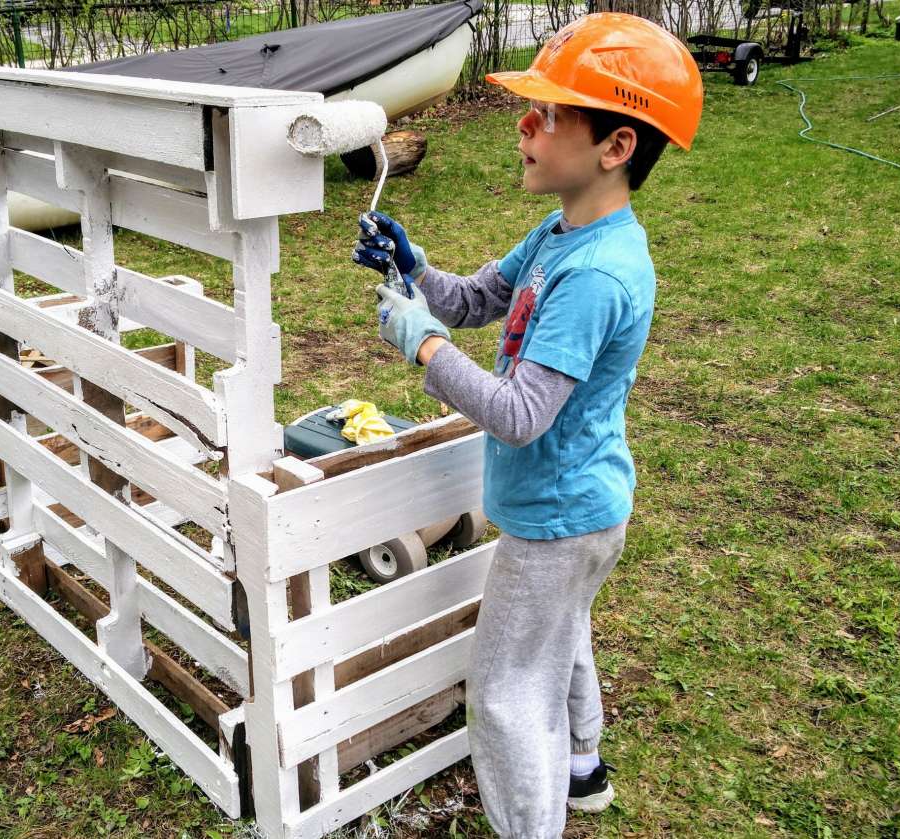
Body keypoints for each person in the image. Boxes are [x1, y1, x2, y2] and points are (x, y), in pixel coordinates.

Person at [352, 13, 704, 838]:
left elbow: (517, 416)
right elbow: (478, 300)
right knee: (561, 632)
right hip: (583, 509)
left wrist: (422, 345)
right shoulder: (560, 232)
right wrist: (415, 271)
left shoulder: (598, 274)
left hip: (554, 520)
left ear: (614, 147)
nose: (524, 124)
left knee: (507, 690)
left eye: (548, 114)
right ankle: (582, 766)